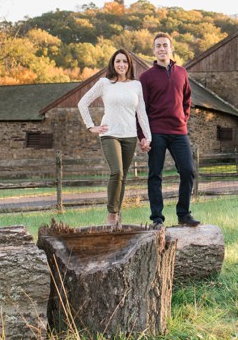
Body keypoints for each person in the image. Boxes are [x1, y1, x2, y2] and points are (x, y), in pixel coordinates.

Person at [77, 49, 151, 225]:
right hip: (110, 134)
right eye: (118, 61)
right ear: (113, 64)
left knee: (123, 176)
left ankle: (118, 214)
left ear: (129, 65)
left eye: (125, 62)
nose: (121, 65)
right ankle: (111, 214)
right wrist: (91, 126)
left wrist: (147, 137)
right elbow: (82, 103)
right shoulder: (104, 83)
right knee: (116, 172)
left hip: (130, 136)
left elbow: (141, 113)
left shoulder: (136, 85)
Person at [138, 32, 200, 229]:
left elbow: (187, 99)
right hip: (156, 131)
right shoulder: (146, 77)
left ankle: (184, 214)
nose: (162, 48)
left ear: (171, 48)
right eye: (158, 46)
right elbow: (140, 109)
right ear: (154, 50)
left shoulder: (181, 72)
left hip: (179, 132)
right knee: (155, 174)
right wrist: (143, 136)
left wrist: (183, 118)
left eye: (165, 45)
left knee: (188, 171)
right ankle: (157, 218)